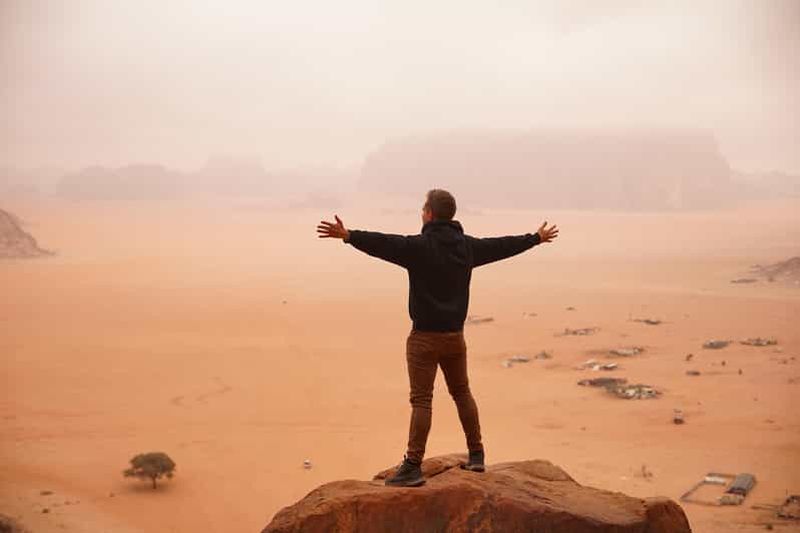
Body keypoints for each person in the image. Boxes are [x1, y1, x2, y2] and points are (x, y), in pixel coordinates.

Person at [316, 189, 559, 487]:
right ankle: (477, 455)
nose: (421, 212)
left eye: (423, 208)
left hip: (424, 340)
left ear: (430, 214)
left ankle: (413, 466)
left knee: (422, 400)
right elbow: (501, 246)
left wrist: (349, 235)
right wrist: (535, 238)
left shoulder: (419, 247)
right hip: (455, 338)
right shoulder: (467, 247)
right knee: (462, 393)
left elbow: (384, 244)